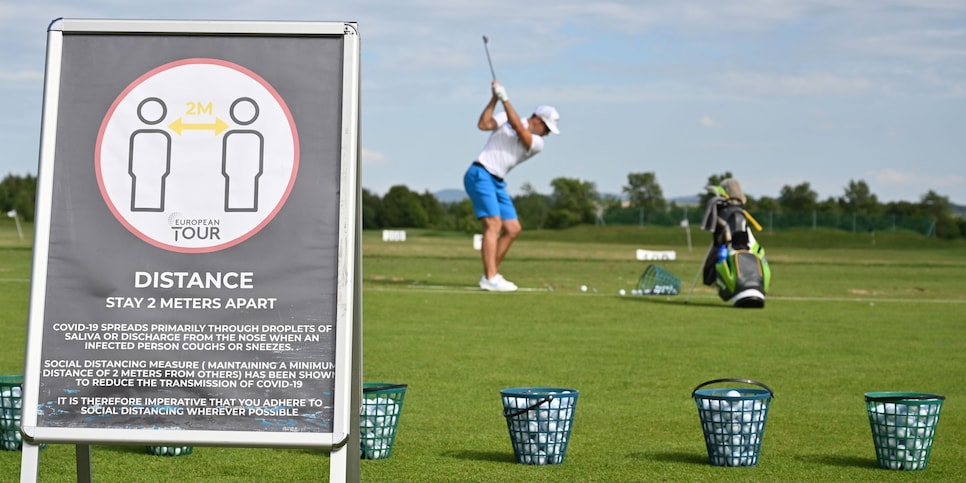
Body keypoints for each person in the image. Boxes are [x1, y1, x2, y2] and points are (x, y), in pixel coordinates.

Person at [463, 80, 560, 292]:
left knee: (513, 228)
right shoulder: (505, 118)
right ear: (537, 119)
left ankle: (491, 274)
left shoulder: (537, 144)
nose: (547, 133)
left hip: (497, 181)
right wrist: (494, 99)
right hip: (480, 173)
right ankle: (490, 278)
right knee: (494, 225)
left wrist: (505, 99)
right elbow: (483, 124)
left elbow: (519, 128)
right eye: (546, 128)